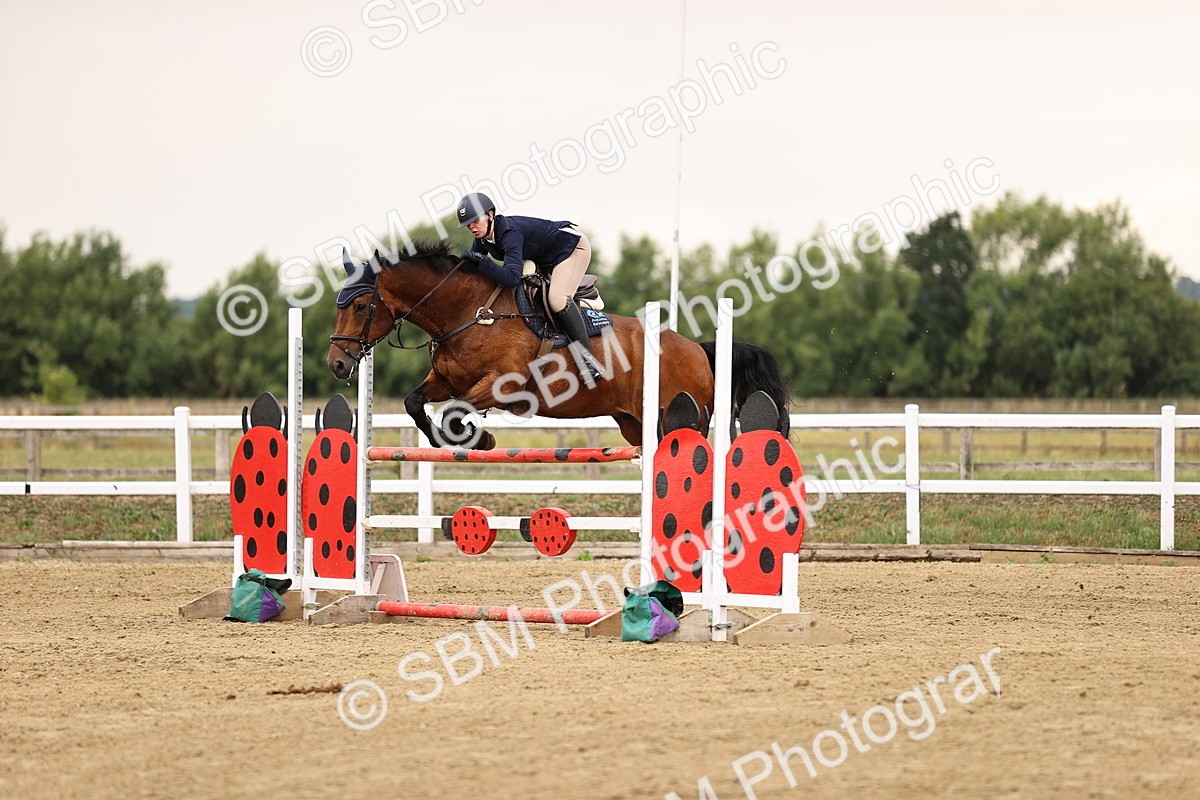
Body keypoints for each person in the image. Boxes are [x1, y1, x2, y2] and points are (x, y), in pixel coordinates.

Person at [456, 192, 606, 384]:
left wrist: (483, 262)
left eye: (475, 220)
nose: (471, 227)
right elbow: (473, 269)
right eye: (468, 224)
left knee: (557, 299)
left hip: (572, 248)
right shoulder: (484, 238)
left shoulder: (509, 233)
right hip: (545, 256)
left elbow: (511, 278)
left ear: (490, 215)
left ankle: (589, 362)